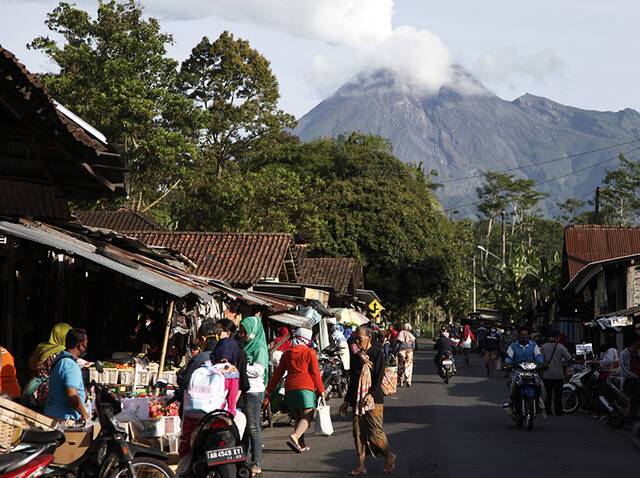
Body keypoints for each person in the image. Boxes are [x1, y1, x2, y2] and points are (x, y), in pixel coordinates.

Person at [340, 325, 396, 476]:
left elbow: (379, 376)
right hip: (357, 398)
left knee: (375, 433)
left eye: (360, 338)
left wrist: (371, 394)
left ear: (369, 337)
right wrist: (346, 401)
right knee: (358, 433)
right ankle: (361, 465)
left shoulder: (377, 352)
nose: (357, 341)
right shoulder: (356, 356)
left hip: (374, 398)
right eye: (356, 338)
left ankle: (389, 454)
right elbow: (353, 379)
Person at [264, 328, 325, 453]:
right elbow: (315, 373)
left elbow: (278, 374)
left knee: (298, 416)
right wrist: (321, 390)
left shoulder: (287, 354)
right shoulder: (310, 352)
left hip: (290, 388)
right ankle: (296, 436)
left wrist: (268, 391)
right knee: (308, 415)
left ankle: (300, 444)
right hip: (306, 387)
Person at [239, 315, 269, 477]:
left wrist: (240, 367)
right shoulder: (244, 345)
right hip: (244, 390)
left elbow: (259, 370)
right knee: (244, 427)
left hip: (254, 391)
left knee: (253, 427)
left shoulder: (259, 348)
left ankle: (256, 462)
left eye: (245, 331)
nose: (242, 334)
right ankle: (243, 459)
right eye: (241, 331)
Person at [44, 328, 89, 422]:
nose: (86, 347)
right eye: (86, 344)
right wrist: (84, 414)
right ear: (80, 345)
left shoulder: (61, 360)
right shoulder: (70, 365)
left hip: (53, 415)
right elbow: (72, 395)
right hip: (62, 419)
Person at [24, 322, 72, 407]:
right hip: (46, 394)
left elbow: (31, 364)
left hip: (31, 389)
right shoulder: (61, 351)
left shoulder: (41, 347)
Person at [504, 327, 544, 409]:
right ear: (518, 335)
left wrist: (540, 363)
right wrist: (508, 363)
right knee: (512, 388)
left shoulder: (534, 345)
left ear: (529, 335)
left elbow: (538, 356)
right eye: (522, 335)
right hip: (517, 371)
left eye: (526, 335)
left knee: (541, 385)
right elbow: (508, 357)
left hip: (532, 371)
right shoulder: (513, 346)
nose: (524, 337)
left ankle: (540, 403)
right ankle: (512, 402)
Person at [541, 330, 572, 416]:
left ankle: (548, 411)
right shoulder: (561, 347)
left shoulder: (543, 347)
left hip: (547, 375)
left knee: (547, 395)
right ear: (557, 337)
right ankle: (558, 411)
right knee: (558, 395)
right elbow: (569, 358)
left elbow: (541, 360)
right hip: (558, 375)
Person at [619, 339, 640, 418]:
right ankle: (632, 412)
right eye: (636, 344)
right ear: (632, 344)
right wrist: (635, 376)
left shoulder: (637, 353)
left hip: (637, 376)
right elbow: (623, 370)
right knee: (637, 385)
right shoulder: (624, 354)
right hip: (629, 378)